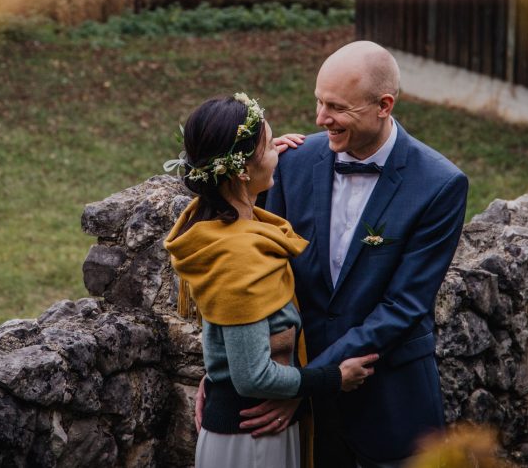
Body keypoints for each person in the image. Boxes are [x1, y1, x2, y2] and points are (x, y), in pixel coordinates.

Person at [241, 40, 469, 468]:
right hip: (299, 405)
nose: (320, 118)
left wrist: (308, 384)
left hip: (390, 402)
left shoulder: (439, 185)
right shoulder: (292, 162)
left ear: (384, 105)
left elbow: (403, 306)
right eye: (318, 102)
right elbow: (259, 273)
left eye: (337, 108)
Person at [163, 93, 379, 468]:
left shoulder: (214, 221)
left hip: (258, 430)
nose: (282, 151)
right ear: (241, 169)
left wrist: (254, 171)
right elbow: (251, 376)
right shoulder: (239, 255)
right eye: (270, 145)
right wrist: (334, 377)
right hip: (251, 438)